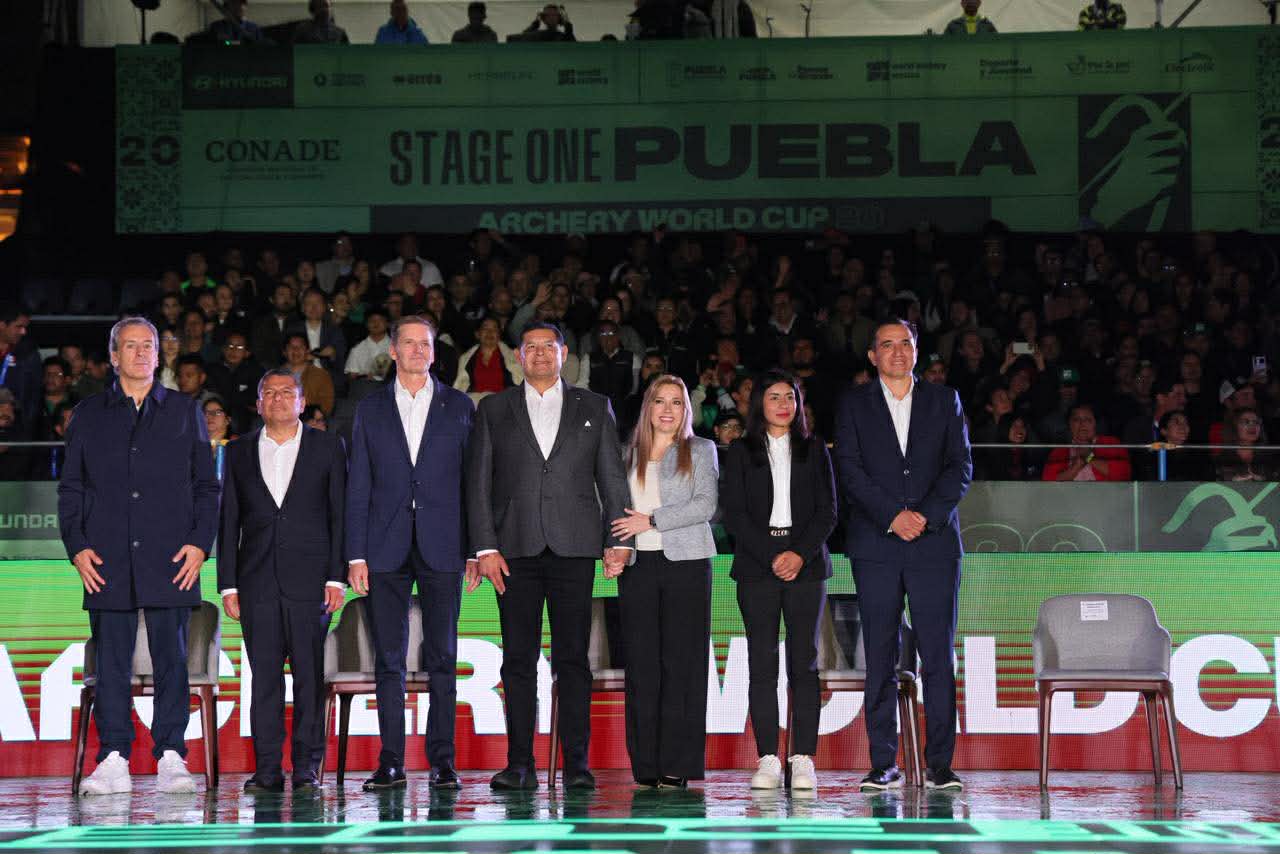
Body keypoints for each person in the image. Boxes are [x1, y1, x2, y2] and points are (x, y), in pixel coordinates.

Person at [58, 317, 221, 795]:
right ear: (113, 356)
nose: (141, 353)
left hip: (173, 555)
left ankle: (171, 753)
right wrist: (77, 546)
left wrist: (200, 543)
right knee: (111, 660)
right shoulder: (89, 413)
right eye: (130, 346)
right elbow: (71, 486)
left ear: (159, 354)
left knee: (173, 657)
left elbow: (206, 485)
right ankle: (113, 756)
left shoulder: (184, 411)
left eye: (148, 345)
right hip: (105, 555)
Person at [465, 322, 630, 791]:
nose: (539, 354)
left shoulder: (593, 405)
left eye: (548, 347)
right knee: (517, 661)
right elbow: (478, 482)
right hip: (512, 552)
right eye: (531, 348)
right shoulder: (494, 408)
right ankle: (520, 764)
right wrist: (484, 547)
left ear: (564, 353)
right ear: (518, 356)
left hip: (574, 548)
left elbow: (611, 477)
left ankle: (576, 765)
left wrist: (619, 540)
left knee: (574, 660)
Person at [834, 319, 972, 792]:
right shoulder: (854, 404)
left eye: (905, 344)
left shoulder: (944, 400)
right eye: (887, 345)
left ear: (917, 350)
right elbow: (849, 470)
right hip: (877, 544)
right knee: (880, 654)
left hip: (934, 545)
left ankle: (940, 765)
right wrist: (893, 516)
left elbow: (960, 466)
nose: (897, 351)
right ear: (872, 356)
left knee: (938, 656)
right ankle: (883, 763)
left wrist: (925, 517)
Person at [347, 316, 475, 791]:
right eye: (409, 343)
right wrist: (356, 555)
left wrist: (475, 548)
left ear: (433, 353)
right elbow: (358, 483)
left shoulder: (459, 406)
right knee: (389, 660)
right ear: (393, 352)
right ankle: (391, 762)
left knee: (443, 656)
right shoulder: (370, 408)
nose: (418, 350)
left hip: (444, 546)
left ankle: (443, 762)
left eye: (425, 343)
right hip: (384, 546)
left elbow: (472, 483)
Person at [217, 369, 347, 792]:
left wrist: (337, 578)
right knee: (264, 681)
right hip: (256, 583)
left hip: (312, 583)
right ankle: (268, 769)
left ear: (301, 401)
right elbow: (228, 520)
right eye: (268, 393)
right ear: (258, 404)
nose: (277, 398)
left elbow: (339, 516)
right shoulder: (238, 451)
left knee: (310, 678)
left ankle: (307, 767)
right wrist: (228, 584)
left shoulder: (327, 447)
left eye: (286, 392)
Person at [719, 370, 836, 792]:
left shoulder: (815, 449)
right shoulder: (740, 450)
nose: (784, 404)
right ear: (759, 404)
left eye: (790, 397)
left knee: (804, 662)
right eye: (774, 396)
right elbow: (734, 514)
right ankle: (768, 758)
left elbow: (828, 511)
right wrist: (773, 555)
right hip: (757, 566)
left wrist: (798, 553)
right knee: (762, 664)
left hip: (806, 565)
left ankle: (803, 758)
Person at [606, 375, 717, 788]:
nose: (668, 410)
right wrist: (612, 548)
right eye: (660, 401)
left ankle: (677, 764)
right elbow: (612, 509)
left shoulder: (700, 449)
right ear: (647, 408)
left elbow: (706, 504)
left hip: (687, 564)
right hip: (638, 566)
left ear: (686, 409)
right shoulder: (625, 454)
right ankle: (646, 765)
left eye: (676, 402)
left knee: (682, 664)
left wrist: (651, 520)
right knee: (642, 665)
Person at [1041, 403, 1131, 481]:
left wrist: (1089, 458)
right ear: (1069, 424)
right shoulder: (1060, 450)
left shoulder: (1110, 443)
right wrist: (1075, 468)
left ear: (1095, 423)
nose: (1082, 424)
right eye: (1076, 420)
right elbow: (1047, 480)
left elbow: (1124, 474)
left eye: (1087, 420)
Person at [455, 316, 523, 402]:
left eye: (494, 329)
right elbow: (460, 387)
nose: (490, 332)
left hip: (504, 403)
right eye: (485, 328)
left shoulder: (514, 356)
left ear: (499, 334)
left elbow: (520, 384)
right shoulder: (465, 359)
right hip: (475, 403)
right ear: (477, 334)